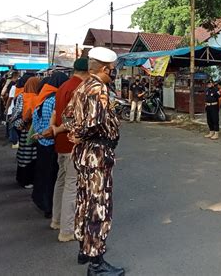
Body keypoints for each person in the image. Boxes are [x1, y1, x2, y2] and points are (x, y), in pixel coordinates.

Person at [62, 47, 124, 275]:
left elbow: (66, 116)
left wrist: (73, 134)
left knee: (84, 201)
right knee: (99, 206)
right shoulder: (98, 89)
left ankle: (84, 249)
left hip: (83, 154)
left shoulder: (82, 86)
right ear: (106, 68)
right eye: (113, 70)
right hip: (97, 154)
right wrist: (80, 133)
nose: (114, 73)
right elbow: (93, 123)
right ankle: (96, 263)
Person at [49, 58, 89, 242]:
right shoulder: (79, 89)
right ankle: (67, 229)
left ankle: (56, 220)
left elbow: (56, 113)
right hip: (72, 142)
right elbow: (73, 120)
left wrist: (55, 129)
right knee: (72, 186)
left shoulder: (63, 86)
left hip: (60, 143)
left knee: (62, 181)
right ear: (87, 72)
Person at [31, 71, 68, 219]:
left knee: (43, 174)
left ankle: (41, 201)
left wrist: (39, 134)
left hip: (41, 142)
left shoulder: (43, 98)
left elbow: (35, 119)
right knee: (53, 177)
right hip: (52, 142)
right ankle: (50, 206)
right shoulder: (56, 99)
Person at [10, 76, 41, 188]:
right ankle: (27, 179)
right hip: (34, 130)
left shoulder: (22, 96)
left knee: (24, 154)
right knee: (32, 155)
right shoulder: (39, 97)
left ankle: (22, 178)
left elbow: (16, 112)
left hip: (24, 129)